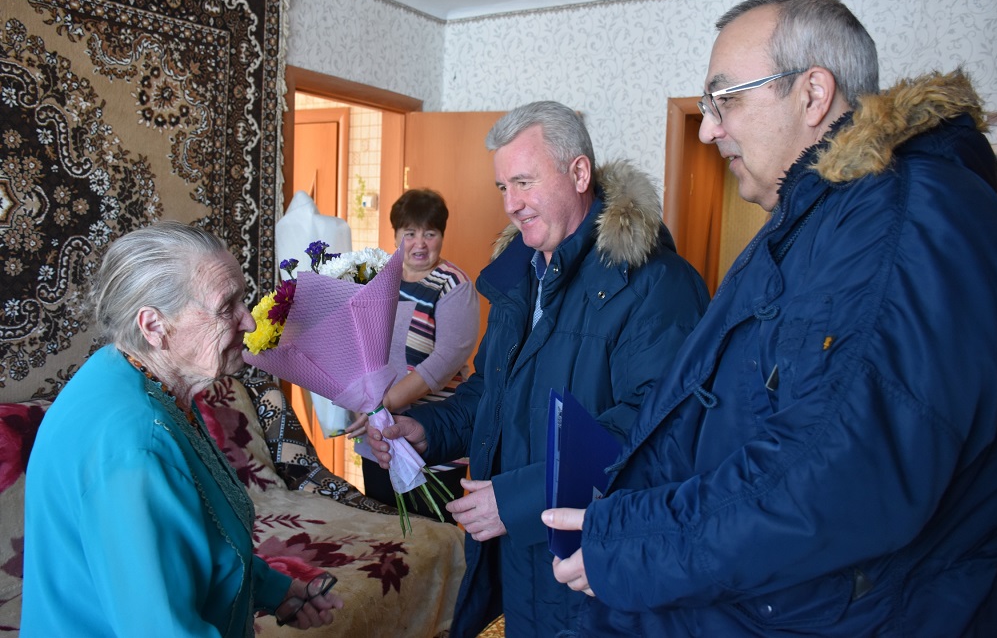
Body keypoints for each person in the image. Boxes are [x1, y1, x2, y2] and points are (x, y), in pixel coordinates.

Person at [544, 0, 997, 635]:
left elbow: (836, 474)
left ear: (813, 94)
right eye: (705, 107)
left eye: (725, 99)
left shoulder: (899, 222)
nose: (707, 129)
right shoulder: (811, 222)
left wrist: (632, 540)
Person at [368, 101, 710, 636]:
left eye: (523, 182)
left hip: (592, 564)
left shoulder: (655, 284)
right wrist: (427, 428)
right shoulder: (518, 276)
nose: (510, 204)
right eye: (503, 187)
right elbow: (491, 389)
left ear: (579, 173)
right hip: (520, 556)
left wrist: (521, 498)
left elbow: (659, 430)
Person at [21, 221, 343, 636]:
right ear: (153, 326)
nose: (247, 322)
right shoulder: (136, 446)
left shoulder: (129, 375)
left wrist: (276, 590)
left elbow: (197, 534)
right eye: (227, 306)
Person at [353, 188, 480, 519]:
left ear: (441, 236)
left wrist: (383, 405)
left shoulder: (454, 285)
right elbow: (360, 350)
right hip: (379, 440)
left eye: (430, 233)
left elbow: (443, 363)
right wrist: (362, 405)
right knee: (384, 539)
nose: (420, 243)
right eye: (410, 233)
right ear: (396, 234)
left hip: (433, 441)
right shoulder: (379, 279)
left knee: (431, 542)